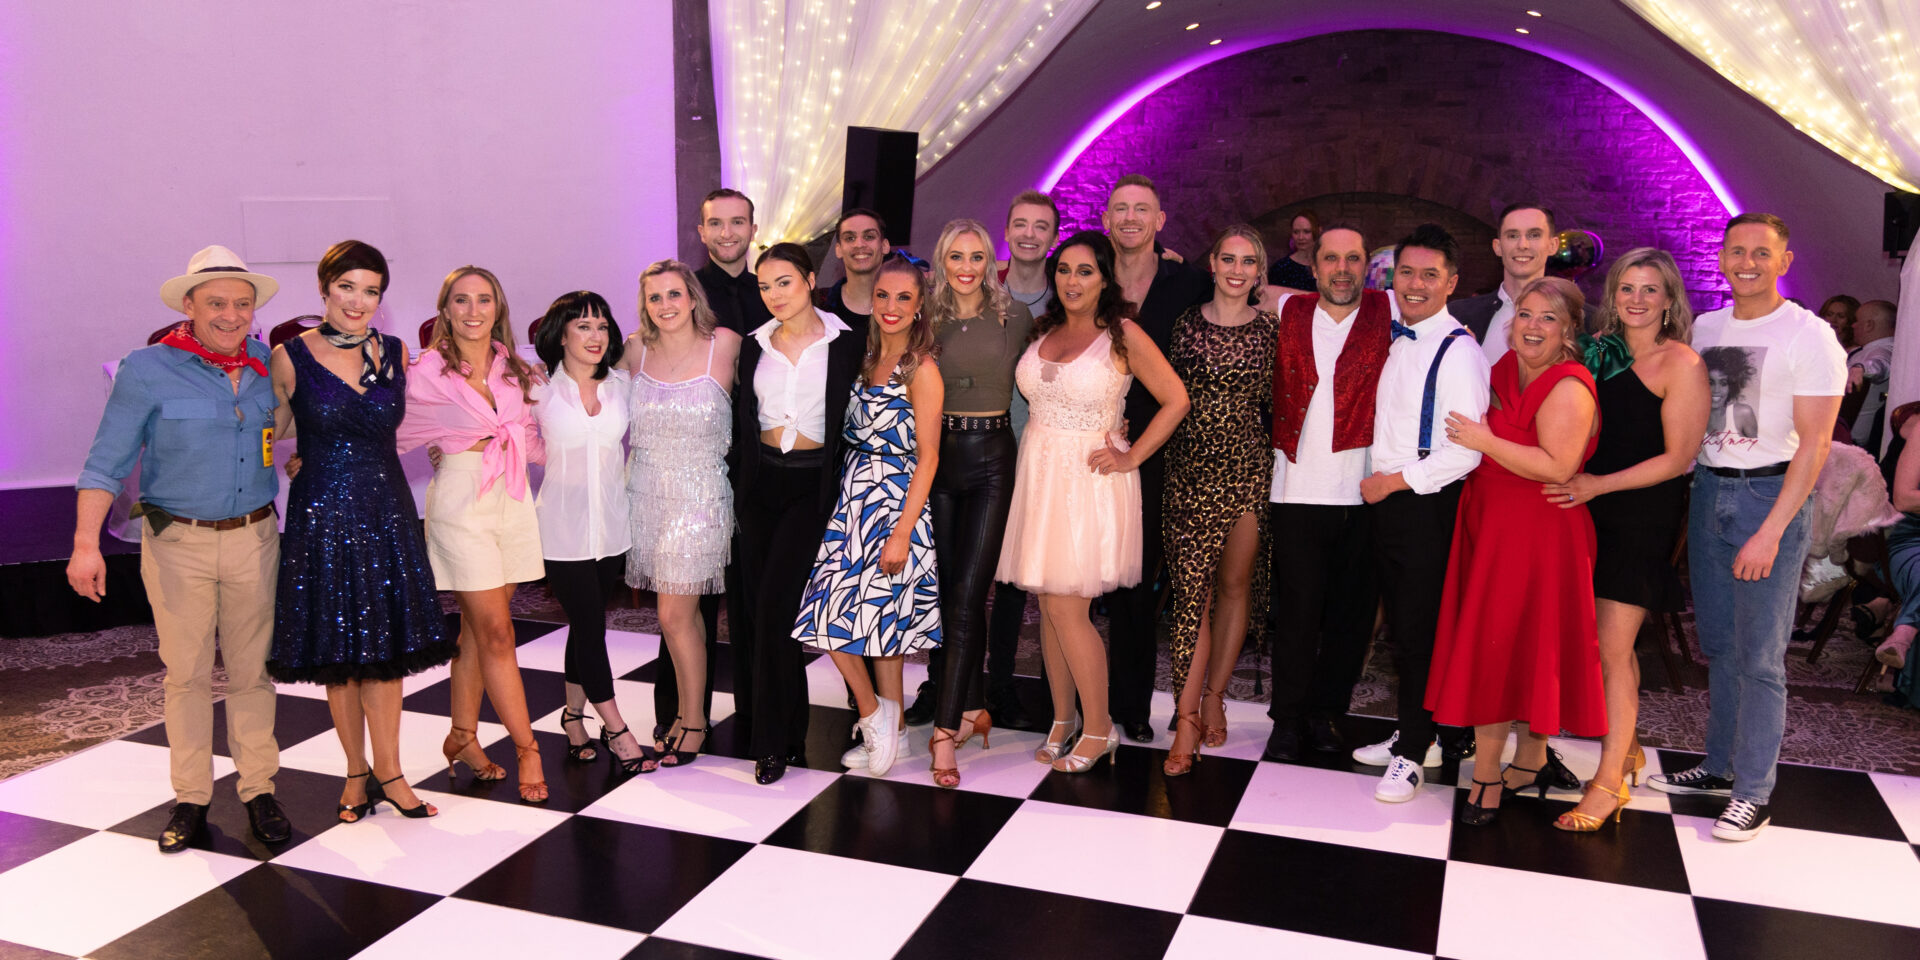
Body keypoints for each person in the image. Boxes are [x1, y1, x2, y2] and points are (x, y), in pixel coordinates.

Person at [71, 245, 291, 852]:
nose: (230, 314)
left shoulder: (268, 367)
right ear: (188, 305)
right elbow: (104, 463)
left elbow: (294, 433)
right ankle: (191, 797)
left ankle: (259, 790)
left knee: (252, 674)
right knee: (187, 676)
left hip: (254, 538)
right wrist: (85, 544)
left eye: (242, 304)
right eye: (216, 303)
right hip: (178, 546)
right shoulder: (147, 368)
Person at [1648, 213, 1846, 842]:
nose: (1747, 262)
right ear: (1723, 258)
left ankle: (1754, 790)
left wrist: (1773, 530)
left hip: (1771, 498)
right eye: (1736, 251)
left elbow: (1815, 447)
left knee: (1761, 658)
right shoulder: (1706, 327)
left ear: (1785, 261)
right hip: (1709, 493)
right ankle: (1717, 766)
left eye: (1762, 252)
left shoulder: (1810, 337)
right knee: (1720, 648)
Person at [268, 240, 455, 823]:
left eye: (371, 290)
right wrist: (288, 459)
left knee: (386, 652)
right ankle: (355, 774)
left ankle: (393, 774)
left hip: (385, 510)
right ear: (324, 288)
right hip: (321, 515)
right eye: (347, 287)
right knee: (339, 652)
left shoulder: (397, 351)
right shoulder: (289, 354)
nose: (358, 300)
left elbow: (431, 416)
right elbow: (269, 432)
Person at [997, 230, 1190, 772]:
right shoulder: (1044, 329)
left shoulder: (1123, 334)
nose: (1072, 280)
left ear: (1105, 278)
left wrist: (1132, 456)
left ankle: (1100, 729)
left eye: (1085, 271)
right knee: (1049, 605)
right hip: (1040, 475)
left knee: (1067, 607)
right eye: (1064, 270)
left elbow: (1176, 399)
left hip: (1090, 481)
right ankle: (1063, 719)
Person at [1426, 277, 1604, 826]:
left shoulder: (1569, 384)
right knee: (1513, 645)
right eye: (1525, 314)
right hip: (1492, 527)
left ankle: (1486, 776)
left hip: (1538, 536)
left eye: (1548, 318)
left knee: (1507, 649)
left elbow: (1557, 466)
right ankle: (1528, 764)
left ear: (1570, 329)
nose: (1532, 326)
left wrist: (1485, 442)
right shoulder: (1502, 369)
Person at [1543, 248, 1706, 831]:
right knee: (1594, 645)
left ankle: (1609, 781)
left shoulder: (1681, 363)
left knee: (1613, 650)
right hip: (1585, 509)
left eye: (1650, 290)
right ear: (1613, 295)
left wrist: (1598, 485)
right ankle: (1627, 749)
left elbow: (1680, 458)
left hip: (1638, 515)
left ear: (1669, 301)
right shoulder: (1596, 352)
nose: (1637, 300)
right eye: (1627, 288)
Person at [398, 266, 550, 804]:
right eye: (461, 301)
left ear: (497, 309)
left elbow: (534, 442)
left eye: (484, 300)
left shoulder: (520, 371)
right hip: (462, 502)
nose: (472, 310)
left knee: (473, 635)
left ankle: (462, 736)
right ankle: (528, 747)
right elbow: (387, 431)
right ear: (445, 310)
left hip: (513, 501)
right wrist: (318, 458)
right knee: (498, 635)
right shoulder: (424, 372)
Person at [794, 259, 945, 778]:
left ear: (920, 304)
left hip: (896, 503)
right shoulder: (863, 357)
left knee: (867, 624)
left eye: (904, 298)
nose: (891, 307)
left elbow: (929, 456)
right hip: (853, 499)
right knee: (849, 623)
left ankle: (878, 720)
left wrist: (903, 530)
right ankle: (888, 728)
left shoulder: (921, 368)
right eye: (883, 295)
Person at [1357, 224, 1492, 802]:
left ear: (1452, 283)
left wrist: (1392, 482)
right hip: (1387, 501)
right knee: (1400, 632)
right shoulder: (1394, 334)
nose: (1414, 284)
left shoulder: (1459, 351)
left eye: (1429, 275)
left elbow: (1465, 450)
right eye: (1406, 273)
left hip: (1422, 504)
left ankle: (1414, 755)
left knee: (1417, 634)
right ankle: (1419, 733)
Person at [733, 243, 868, 785]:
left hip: (813, 486)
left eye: (784, 282)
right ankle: (785, 731)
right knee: (764, 614)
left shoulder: (849, 342)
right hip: (760, 483)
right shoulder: (752, 345)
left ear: (811, 280)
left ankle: (771, 742)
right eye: (765, 286)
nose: (774, 295)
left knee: (775, 608)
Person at [1262, 225, 1394, 762]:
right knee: (1294, 617)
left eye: (1353, 259)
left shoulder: (1391, 313)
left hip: (1364, 495)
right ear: (1312, 267)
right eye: (1331, 259)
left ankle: (1326, 714)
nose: (1342, 269)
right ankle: (1288, 719)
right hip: (1295, 490)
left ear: (1366, 265)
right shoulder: (1287, 311)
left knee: (1349, 619)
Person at [909, 219, 1033, 782]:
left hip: (991, 459)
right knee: (946, 594)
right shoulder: (922, 316)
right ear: (940, 259)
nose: (966, 266)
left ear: (990, 261)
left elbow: (1050, 379)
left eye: (977, 256)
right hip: (934, 460)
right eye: (956, 255)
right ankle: (974, 704)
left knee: (966, 596)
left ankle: (944, 732)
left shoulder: (1015, 317)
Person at [1161, 225, 1278, 775]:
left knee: (1233, 587)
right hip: (1186, 471)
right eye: (1228, 259)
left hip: (1248, 471)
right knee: (1190, 596)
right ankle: (1185, 718)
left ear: (1259, 271)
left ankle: (1214, 695)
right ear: (1212, 263)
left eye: (1248, 261)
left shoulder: (1272, 331)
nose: (1237, 269)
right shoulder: (1183, 325)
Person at [1100, 175, 1212, 743]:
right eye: (1120, 209)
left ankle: (1133, 705)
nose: (1130, 218)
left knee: (1140, 580)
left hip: (1166, 445)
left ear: (1160, 220)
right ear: (1105, 219)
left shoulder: (1189, 280)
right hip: (1097, 442)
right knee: (1078, 579)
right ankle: (1076, 703)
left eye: (1141, 209)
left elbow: (1251, 293)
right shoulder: (1087, 273)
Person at [621, 261, 741, 771]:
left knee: (674, 615)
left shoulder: (727, 344)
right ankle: (690, 713)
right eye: (654, 298)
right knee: (679, 618)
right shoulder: (633, 350)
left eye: (674, 294)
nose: (665, 305)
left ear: (692, 297)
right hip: (644, 495)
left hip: (700, 495)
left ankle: (693, 718)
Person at [528, 290, 646, 775]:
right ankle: (616, 726)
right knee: (593, 625)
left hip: (612, 528)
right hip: (561, 528)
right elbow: (495, 429)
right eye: (583, 326)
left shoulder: (622, 384)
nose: (595, 336)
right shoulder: (536, 389)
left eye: (601, 326)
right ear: (560, 334)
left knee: (585, 624)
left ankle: (572, 718)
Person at [981, 191, 1061, 733]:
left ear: (1053, 236)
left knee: (1019, 581)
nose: (1030, 233)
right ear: (1006, 231)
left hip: (1044, 454)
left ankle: (1004, 685)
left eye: (1041, 226)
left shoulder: (1070, 296)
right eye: (1020, 224)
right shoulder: (982, 291)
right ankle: (952, 685)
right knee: (966, 575)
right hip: (983, 448)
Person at [1452, 203, 1556, 363]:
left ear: (1552, 245)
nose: (1523, 245)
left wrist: (1601, 346)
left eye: (1534, 235)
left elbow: (1601, 367)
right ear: (1498, 247)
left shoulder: (1583, 320)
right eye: (1513, 236)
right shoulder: (1457, 315)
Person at [693, 188, 772, 335]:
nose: (726, 234)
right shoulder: (686, 293)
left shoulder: (771, 292)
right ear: (702, 233)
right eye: (715, 223)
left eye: (737, 222)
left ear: (753, 231)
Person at [817, 208, 891, 328]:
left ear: (884, 246)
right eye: (850, 238)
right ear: (838, 249)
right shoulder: (819, 305)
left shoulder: (906, 306)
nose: (859, 244)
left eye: (869, 237)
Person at [1845, 299, 1896, 449]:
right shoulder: (1868, 349)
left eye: (1856, 321)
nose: (1853, 325)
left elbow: (1880, 365)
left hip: (1852, 443)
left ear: (1869, 325)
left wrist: (1862, 369)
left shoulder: (1884, 349)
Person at [1703, 343, 1761, 440]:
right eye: (1711, 382)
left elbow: (1758, 451)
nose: (1716, 390)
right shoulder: (1694, 416)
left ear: (1732, 386)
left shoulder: (1742, 413)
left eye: (1723, 383)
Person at [1266, 211, 1320, 292]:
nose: (1300, 237)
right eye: (1296, 232)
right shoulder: (1280, 268)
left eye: (1306, 231)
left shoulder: (1327, 264)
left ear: (1318, 231)